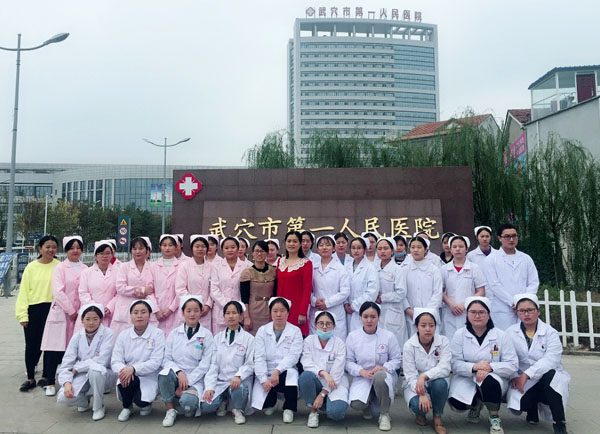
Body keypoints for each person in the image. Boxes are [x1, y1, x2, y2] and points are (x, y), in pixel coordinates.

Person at [448, 296, 518, 434]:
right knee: (457, 403)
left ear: (489, 314)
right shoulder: (459, 335)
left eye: (481, 312)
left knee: (489, 382)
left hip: (494, 377)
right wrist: (475, 367)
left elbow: (512, 364)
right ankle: (476, 404)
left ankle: (494, 417)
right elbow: (454, 363)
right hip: (467, 377)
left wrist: (490, 368)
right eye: (473, 312)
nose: (477, 316)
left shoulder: (501, 336)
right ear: (467, 314)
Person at [506, 294, 570, 434]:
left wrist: (527, 374)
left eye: (530, 310)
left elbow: (551, 359)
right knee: (521, 404)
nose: (526, 314)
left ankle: (559, 422)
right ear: (517, 313)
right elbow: (507, 357)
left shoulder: (550, 333)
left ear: (538, 311)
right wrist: (514, 376)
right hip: (522, 378)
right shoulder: (510, 333)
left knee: (551, 378)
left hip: (547, 376)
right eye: (522, 311)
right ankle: (532, 409)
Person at [41, 235, 88, 396]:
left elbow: (86, 290)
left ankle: (70, 381)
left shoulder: (86, 269)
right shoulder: (60, 268)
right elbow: (58, 292)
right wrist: (71, 310)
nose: (75, 251)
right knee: (54, 348)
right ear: (66, 250)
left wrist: (80, 311)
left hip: (79, 315)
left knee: (73, 349)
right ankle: (50, 382)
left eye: (78, 248)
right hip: (61, 313)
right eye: (72, 248)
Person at [158, 295, 215, 427]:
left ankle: (185, 402)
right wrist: (179, 373)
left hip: (196, 377)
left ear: (201, 312)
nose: (192, 314)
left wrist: (187, 381)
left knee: (189, 402)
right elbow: (166, 359)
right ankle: (170, 410)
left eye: (196, 310)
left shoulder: (207, 335)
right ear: (183, 312)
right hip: (176, 375)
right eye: (188, 310)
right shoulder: (174, 333)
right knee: (164, 375)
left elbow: (205, 363)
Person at [346, 302, 402, 431]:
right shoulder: (353, 337)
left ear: (379, 317)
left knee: (380, 376)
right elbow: (348, 361)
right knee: (356, 404)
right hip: (363, 377)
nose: (369, 320)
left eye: (373, 317)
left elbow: (397, 359)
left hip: (383, 376)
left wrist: (385, 367)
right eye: (365, 316)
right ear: (360, 317)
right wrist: (361, 371)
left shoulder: (388, 336)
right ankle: (368, 405)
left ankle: (384, 414)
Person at [15, 235, 60, 392]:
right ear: (40, 249)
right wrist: (22, 315)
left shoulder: (59, 266)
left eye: (54, 247)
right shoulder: (31, 268)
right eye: (47, 247)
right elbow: (23, 293)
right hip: (33, 310)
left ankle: (46, 376)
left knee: (50, 345)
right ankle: (30, 378)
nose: (51, 250)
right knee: (32, 345)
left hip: (53, 310)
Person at [56, 303, 115, 421]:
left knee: (95, 371)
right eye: (87, 319)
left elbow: (101, 361)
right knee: (63, 398)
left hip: (104, 373)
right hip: (82, 375)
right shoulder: (77, 336)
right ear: (82, 320)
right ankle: (84, 401)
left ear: (101, 320)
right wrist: (67, 383)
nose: (91, 322)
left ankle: (98, 406)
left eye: (95, 319)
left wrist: (78, 367)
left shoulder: (108, 334)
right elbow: (67, 363)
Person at [111, 299, 165, 422]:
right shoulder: (123, 335)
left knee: (141, 401)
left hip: (148, 375)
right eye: (135, 312)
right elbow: (115, 360)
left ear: (150, 315)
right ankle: (127, 407)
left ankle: (145, 404)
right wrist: (125, 370)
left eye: (143, 312)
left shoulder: (158, 334)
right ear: (130, 315)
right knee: (127, 379)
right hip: (127, 375)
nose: (139, 316)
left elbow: (156, 361)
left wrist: (134, 369)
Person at [202, 300, 255, 424]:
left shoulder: (249, 339)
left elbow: (250, 363)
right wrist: (209, 387)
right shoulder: (217, 338)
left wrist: (238, 376)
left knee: (238, 388)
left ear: (240, 316)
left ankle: (238, 410)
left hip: (239, 381)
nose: (231, 316)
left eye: (234, 313)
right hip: (220, 381)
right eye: (228, 313)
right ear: (224, 316)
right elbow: (213, 365)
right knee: (206, 406)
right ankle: (223, 401)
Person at [252, 297, 303, 423]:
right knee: (264, 405)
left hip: (285, 370)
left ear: (288, 312)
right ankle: (272, 401)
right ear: (270, 313)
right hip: (266, 370)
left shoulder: (295, 331)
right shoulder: (262, 331)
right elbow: (259, 357)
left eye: (282, 311)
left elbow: (293, 356)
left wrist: (277, 370)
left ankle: (289, 408)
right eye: (275, 311)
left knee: (291, 375)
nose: (279, 314)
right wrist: (263, 379)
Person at [402, 308, 451, 434]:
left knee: (440, 384)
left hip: (435, 380)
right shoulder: (409, 345)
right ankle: (420, 414)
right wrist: (422, 394)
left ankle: (437, 418)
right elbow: (410, 375)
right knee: (418, 406)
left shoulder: (443, 341)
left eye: (431, 325)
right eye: (423, 325)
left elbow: (445, 367)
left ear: (435, 326)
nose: (428, 329)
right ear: (416, 327)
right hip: (414, 383)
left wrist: (424, 376)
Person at [484, 223, 539, 330]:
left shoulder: (526, 258)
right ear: (499, 238)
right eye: (507, 236)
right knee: (504, 337)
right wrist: (513, 302)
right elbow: (494, 285)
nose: (511, 239)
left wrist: (524, 301)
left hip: (525, 308)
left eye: (514, 236)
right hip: (502, 308)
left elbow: (533, 282)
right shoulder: (491, 259)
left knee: (525, 336)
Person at [299, 311, 349, 427]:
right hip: (316, 379)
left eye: (328, 324)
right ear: (315, 325)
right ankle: (313, 411)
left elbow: (338, 371)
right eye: (321, 323)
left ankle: (326, 403)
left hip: (335, 383)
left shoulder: (339, 344)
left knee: (337, 414)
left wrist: (322, 394)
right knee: (305, 376)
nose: (324, 327)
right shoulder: (308, 341)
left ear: (334, 326)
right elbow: (306, 363)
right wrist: (323, 373)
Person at [441, 235, 487, 341]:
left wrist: (465, 304)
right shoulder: (444, 269)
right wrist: (451, 304)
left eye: (461, 246)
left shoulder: (474, 268)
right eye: (454, 247)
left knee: (470, 339)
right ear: (450, 249)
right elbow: (440, 291)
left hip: (468, 311)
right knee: (451, 340)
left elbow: (481, 291)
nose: (458, 249)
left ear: (466, 249)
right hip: (450, 311)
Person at [113, 237, 158, 338]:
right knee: (123, 338)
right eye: (134, 249)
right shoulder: (124, 267)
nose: (137, 251)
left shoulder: (153, 267)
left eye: (141, 248)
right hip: (126, 306)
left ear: (147, 250)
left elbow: (152, 288)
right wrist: (142, 290)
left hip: (146, 307)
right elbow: (120, 288)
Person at [309, 235, 351, 339]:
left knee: (336, 343)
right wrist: (314, 301)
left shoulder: (340, 268)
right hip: (316, 309)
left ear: (333, 248)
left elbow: (345, 291)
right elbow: (307, 289)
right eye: (321, 245)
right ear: (317, 249)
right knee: (316, 342)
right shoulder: (312, 267)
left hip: (335, 310)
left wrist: (328, 303)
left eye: (327, 245)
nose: (324, 247)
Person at [402, 235, 443, 337]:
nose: (415, 250)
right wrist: (408, 310)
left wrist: (427, 312)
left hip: (431, 313)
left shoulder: (434, 269)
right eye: (413, 247)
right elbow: (402, 293)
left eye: (419, 247)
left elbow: (437, 293)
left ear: (425, 250)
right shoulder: (404, 270)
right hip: (411, 315)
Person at [276, 230, 313, 336]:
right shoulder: (280, 261)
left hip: (297, 308)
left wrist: (302, 312)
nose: (291, 244)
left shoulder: (306, 263)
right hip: (281, 307)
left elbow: (307, 289)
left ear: (300, 244)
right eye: (289, 241)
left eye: (295, 241)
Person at [210, 236, 249, 334]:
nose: (230, 250)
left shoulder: (246, 266)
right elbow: (214, 289)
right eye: (226, 248)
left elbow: (247, 291)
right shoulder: (216, 266)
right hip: (221, 309)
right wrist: (227, 305)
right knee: (220, 338)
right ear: (222, 250)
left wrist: (238, 307)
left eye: (233, 247)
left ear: (238, 248)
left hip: (240, 309)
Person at [175, 235, 214, 331]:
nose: (200, 249)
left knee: (204, 336)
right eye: (197, 246)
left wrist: (208, 305)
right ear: (192, 248)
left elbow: (214, 289)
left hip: (205, 311)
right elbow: (180, 289)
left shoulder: (212, 267)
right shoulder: (184, 266)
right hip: (188, 309)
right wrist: (195, 305)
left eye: (203, 246)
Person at [375, 237, 407, 349]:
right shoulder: (374, 268)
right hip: (377, 310)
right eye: (379, 249)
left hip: (393, 310)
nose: (382, 251)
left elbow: (401, 293)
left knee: (394, 344)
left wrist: (382, 298)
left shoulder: (397, 269)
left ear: (392, 250)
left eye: (386, 248)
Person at [239, 240, 277, 335]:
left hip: (269, 311)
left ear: (267, 253)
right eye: (256, 251)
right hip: (253, 311)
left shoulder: (274, 271)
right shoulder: (247, 272)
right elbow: (244, 297)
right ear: (252, 253)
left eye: (262, 251)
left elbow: (275, 293)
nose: (259, 254)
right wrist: (246, 317)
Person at [78, 240, 118, 327]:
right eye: (101, 253)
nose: (105, 256)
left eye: (108, 253)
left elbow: (119, 293)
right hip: (90, 312)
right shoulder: (86, 272)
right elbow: (83, 293)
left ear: (112, 255)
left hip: (111, 313)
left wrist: (110, 307)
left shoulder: (118, 272)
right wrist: (95, 307)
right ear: (95, 255)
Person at [344, 236, 378, 333]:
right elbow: (342, 286)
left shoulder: (370, 268)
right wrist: (345, 303)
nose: (356, 251)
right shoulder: (347, 266)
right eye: (353, 248)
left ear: (365, 250)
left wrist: (354, 306)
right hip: (346, 310)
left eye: (359, 248)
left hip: (362, 310)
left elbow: (372, 292)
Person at [151, 234, 182, 336]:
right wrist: (156, 310)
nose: (167, 248)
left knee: (175, 339)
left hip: (175, 311)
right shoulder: (153, 266)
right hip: (157, 312)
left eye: (170, 245)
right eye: (164, 245)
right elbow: (150, 291)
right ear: (160, 247)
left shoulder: (182, 266)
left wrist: (171, 309)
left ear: (176, 247)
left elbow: (182, 290)